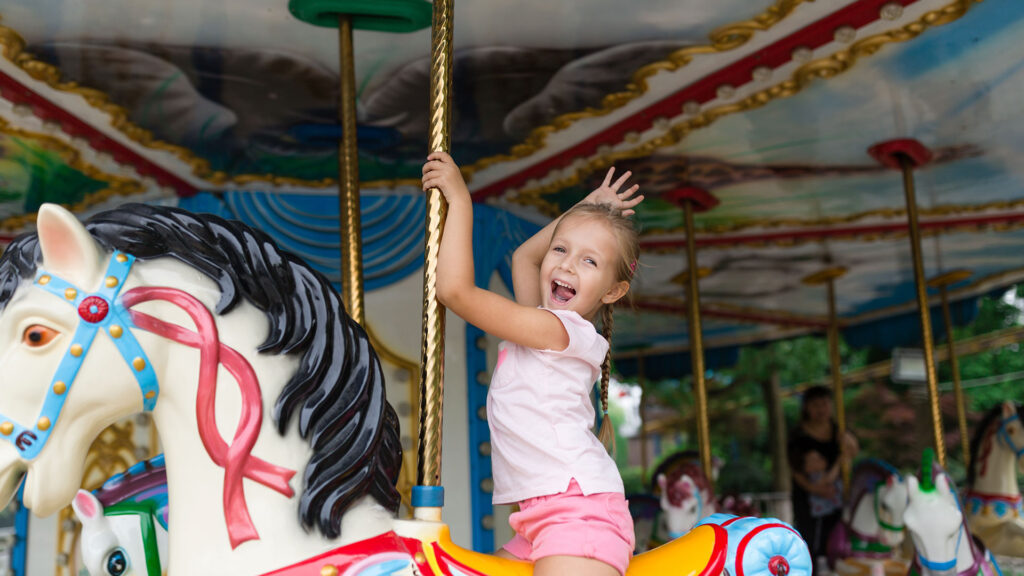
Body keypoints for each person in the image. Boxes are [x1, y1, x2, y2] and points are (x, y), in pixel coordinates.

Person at [423, 151, 643, 576]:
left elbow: (454, 292)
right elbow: (525, 257)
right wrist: (584, 208)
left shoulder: (559, 331)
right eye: (561, 249)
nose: (566, 263)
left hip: (578, 516)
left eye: (589, 260)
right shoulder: (544, 322)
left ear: (613, 292)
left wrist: (460, 201)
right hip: (539, 517)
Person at [788, 385, 858, 567]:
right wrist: (815, 488)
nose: (821, 410)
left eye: (825, 404)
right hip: (807, 496)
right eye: (816, 405)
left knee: (836, 533)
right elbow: (795, 469)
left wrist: (847, 440)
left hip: (835, 495)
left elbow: (851, 453)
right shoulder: (798, 435)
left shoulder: (838, 430)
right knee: (810, 538)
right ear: (807, 408)